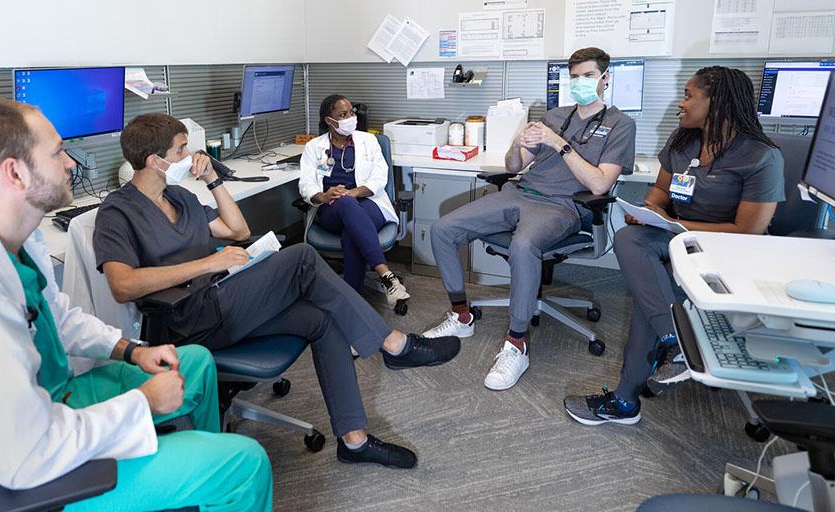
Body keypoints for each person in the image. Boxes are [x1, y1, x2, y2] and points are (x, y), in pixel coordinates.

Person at [0, 98, 272, 512]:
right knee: (244, 464)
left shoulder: (17, 237)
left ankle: (194, 486)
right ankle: (209, 476)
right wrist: (143, 402)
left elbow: (58, 318)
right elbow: (27, 454)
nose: (71, 163)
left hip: (54, 401)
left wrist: (132, 350)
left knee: (192, 362)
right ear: (15, 172)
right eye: (56, 152)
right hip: (16, 481)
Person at [94, 113, 461, 468]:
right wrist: (206, 264)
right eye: (182, 150)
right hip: (191, 319)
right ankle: (394, 345)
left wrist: (213, 181)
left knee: (322, 318)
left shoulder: (179, 197)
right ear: (155, 161)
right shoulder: (118, 212)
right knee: (302, 257)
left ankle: (355, 442)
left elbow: (237, 231)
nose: (191, 157)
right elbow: (122, 284)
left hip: (224, 299)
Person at [564, 66, 785, 426]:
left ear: (717, 103)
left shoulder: (761, 157)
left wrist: (676, 226)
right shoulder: (684, 141)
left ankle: (626, 399)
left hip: (726, 250)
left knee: (652, 291)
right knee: (628, 237)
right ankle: (674, 337)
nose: (680, 104)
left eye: (688, 95)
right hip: (677, 239)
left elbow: (747, 231)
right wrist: (650, 209)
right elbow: (662, 191)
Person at [422, 47, 637, 392]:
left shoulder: (620, 125)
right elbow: (512, 167)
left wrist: (560, 145)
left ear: (605, 78)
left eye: (588, 76)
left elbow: (599, 183)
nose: (580, 83)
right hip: (520, 193)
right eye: (575, 77)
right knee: (443, 228)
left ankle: (516, 344)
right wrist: (517, 144)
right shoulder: (554, 116)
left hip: (564, 207)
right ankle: (461, 315)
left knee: (523, 246)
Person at [299, 95, 410, 311]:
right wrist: (324, 196)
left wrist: (354, 192)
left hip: (368, 202)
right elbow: (306, 184)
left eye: (351, 112)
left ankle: (351, 305)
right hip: (331, 209)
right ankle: (387, 277)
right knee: (345, 205)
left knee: (352, 228)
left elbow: (380, 178)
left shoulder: (369, 141)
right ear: (329, 120)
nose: (350, 117)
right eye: (343, 114)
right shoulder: (314, 147)